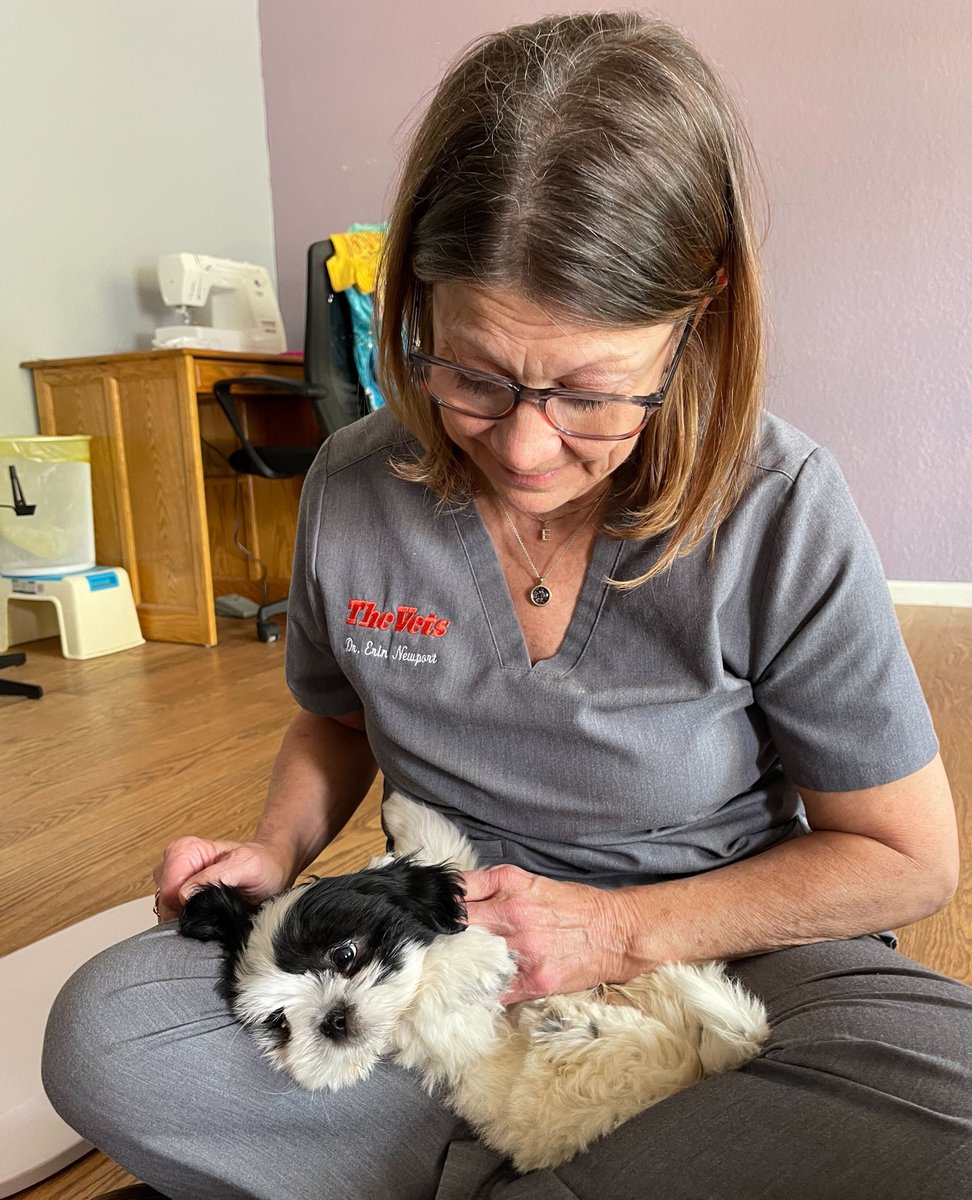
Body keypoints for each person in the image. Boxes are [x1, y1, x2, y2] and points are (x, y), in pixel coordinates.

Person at [43, 12, 970, 1200]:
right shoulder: (354, 483)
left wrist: (622, 934)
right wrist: (273, 853)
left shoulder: (782, 506)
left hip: (719, 957)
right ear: (416, 299)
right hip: (427, 959)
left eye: (591, 394)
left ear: (704, 309)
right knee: (108, 1038)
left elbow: (905, 863)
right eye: (473, 374)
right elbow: (336, 720)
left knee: (946, 1109)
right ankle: (601, 1161)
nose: (526, 447)